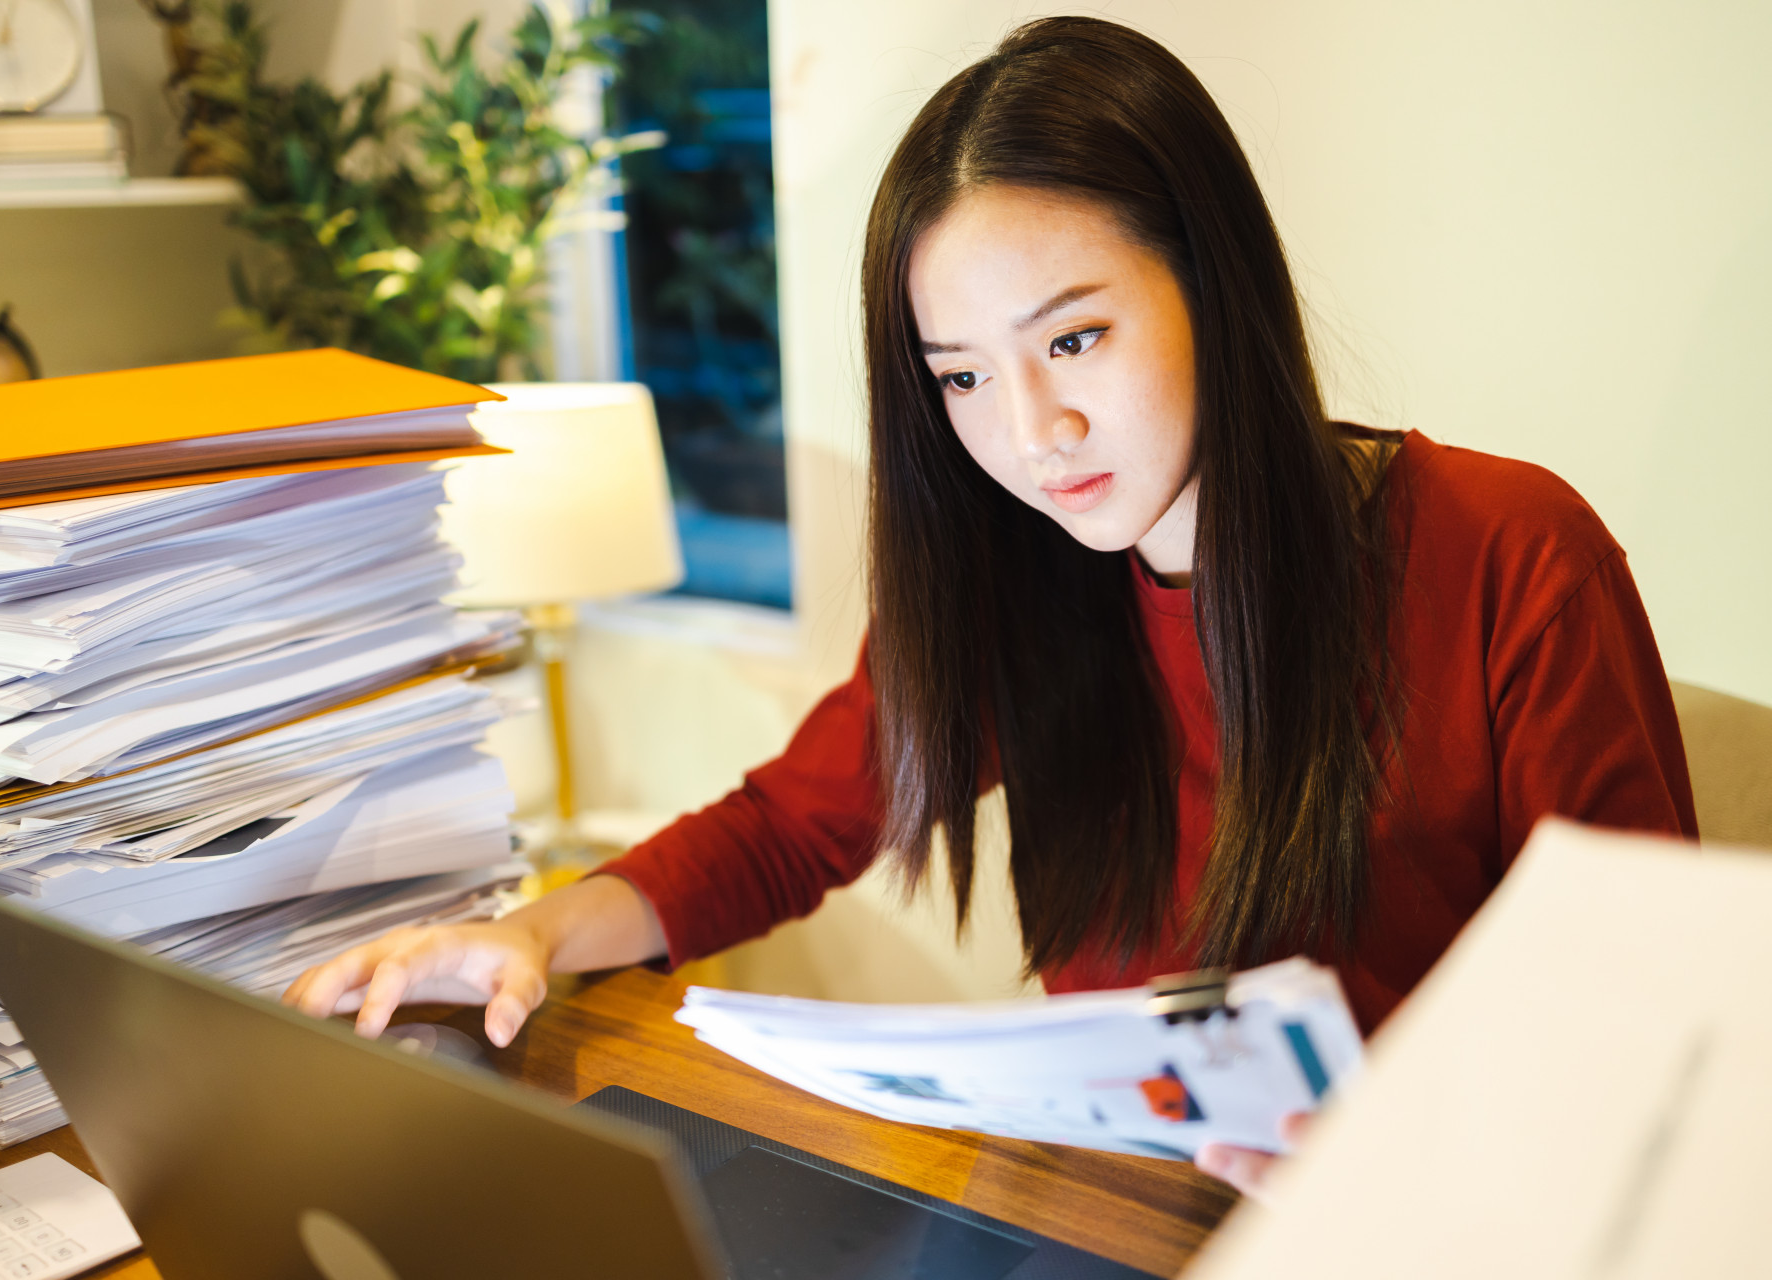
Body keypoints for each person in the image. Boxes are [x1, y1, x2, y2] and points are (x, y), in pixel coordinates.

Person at [285, 16, 1696, 1198]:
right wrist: (532, 934)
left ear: (1214, 283)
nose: (1031, 433)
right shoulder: (1016, 572)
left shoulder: (1510, 550)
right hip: (1111, 1207)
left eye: (1074, 337)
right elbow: (795, 823)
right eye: (961, 376)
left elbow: (1655, 1034)